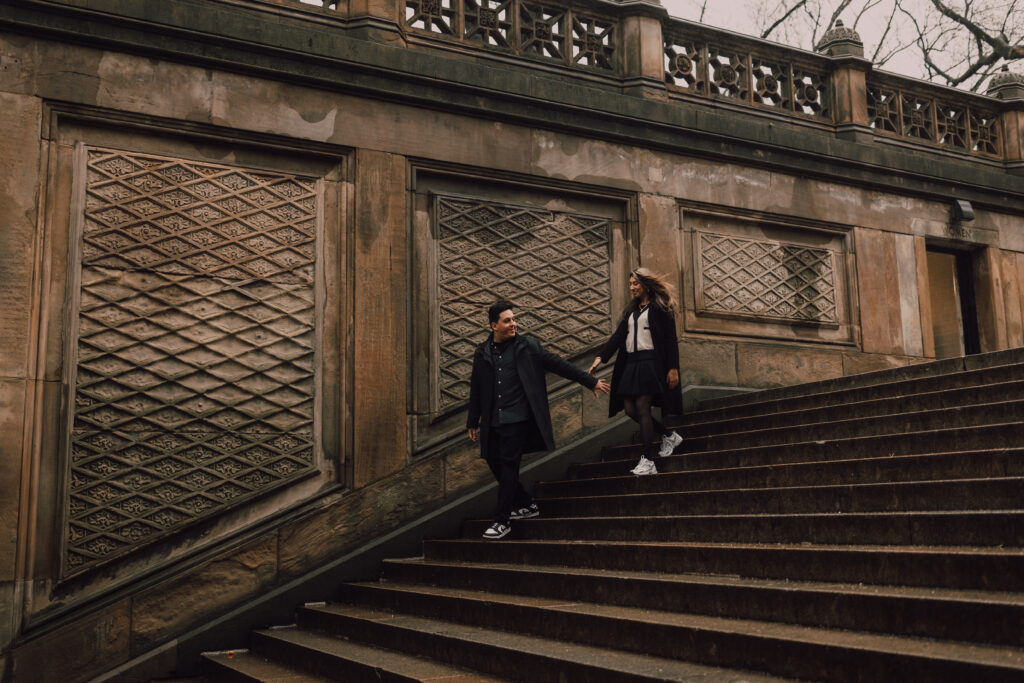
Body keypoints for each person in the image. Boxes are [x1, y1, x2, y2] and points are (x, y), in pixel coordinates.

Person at [468, 300, 611, 540]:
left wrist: (590, 381)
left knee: (509, 464)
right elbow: (477, 387)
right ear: (494, 325)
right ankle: (526, 503)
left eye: (514, 319)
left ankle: (502, 520)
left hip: (518, 417)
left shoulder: (528, 347)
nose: (514, 324)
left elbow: (559, 364)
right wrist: (473, 420)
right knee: (494, 462)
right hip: (493, 419)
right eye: (507, 320)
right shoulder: (482, 352)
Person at [588, 268, 683, 475]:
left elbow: (670, 339)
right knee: (630, 409)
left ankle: (648, 460)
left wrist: (673, 368)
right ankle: (668, 435)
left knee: (642, 407)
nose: (631, 287)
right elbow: (618, 336)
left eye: (635, 284)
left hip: (650, 362)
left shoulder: (660, 307)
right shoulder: (632, 310)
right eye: (630, 284)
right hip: (632, 364)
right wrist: (600, 358)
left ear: (646, 285)